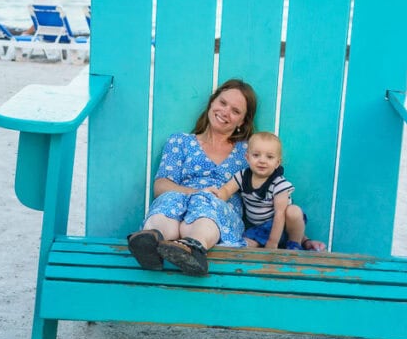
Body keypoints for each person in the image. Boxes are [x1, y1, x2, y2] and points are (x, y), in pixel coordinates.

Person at [127, 78, 257, 276]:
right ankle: (151, 240)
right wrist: (195, 192)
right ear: (212, 102)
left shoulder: (248, 152)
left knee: (206, 204)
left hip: (217, 212)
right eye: (222, 103)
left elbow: (269, 187)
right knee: (169, 199)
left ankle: (193, 247)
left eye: (235, 111)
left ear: (242, 122)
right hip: (179, 203)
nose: (225, 112)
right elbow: (161, 185)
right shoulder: (180, 141)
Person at [209, 131, 321, 250]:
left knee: (293, 211)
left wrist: (273, 242)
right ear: (247, 158)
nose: (262, 161)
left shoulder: (278, 184)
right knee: (245, 243)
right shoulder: (243, 176)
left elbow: (280, 214)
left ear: (277, 163)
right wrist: (218, 195)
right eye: (256, 155)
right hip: (260, 228)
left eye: (269, 157)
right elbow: (227, 189)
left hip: (282, 226)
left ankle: (294, 244)